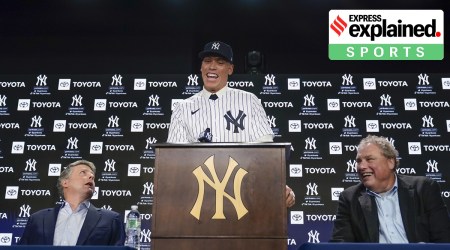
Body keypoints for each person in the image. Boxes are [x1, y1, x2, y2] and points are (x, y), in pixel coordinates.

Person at [167, 41, 295, 208]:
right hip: (196, 198)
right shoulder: (182, 108)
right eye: (207, 61)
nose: (212, 67)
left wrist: (277, 186)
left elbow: (265, 154)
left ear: (230, 69)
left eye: (220, 63)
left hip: (243, 194)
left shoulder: (249, 101)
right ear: (201, 67)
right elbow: (173, 162)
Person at [331, 135, 450, 243]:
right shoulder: (350, 198)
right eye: (358, 161)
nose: (362, 166)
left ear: (391, 162)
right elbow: (341, 243)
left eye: (369, 159)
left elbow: (443, 238)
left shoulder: (424, 188)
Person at [19, 160, 125, 246]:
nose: (91, 177)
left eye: (92, 176)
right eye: (83, 173)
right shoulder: (37, 219)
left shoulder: (111, 219)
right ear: (65, 182)